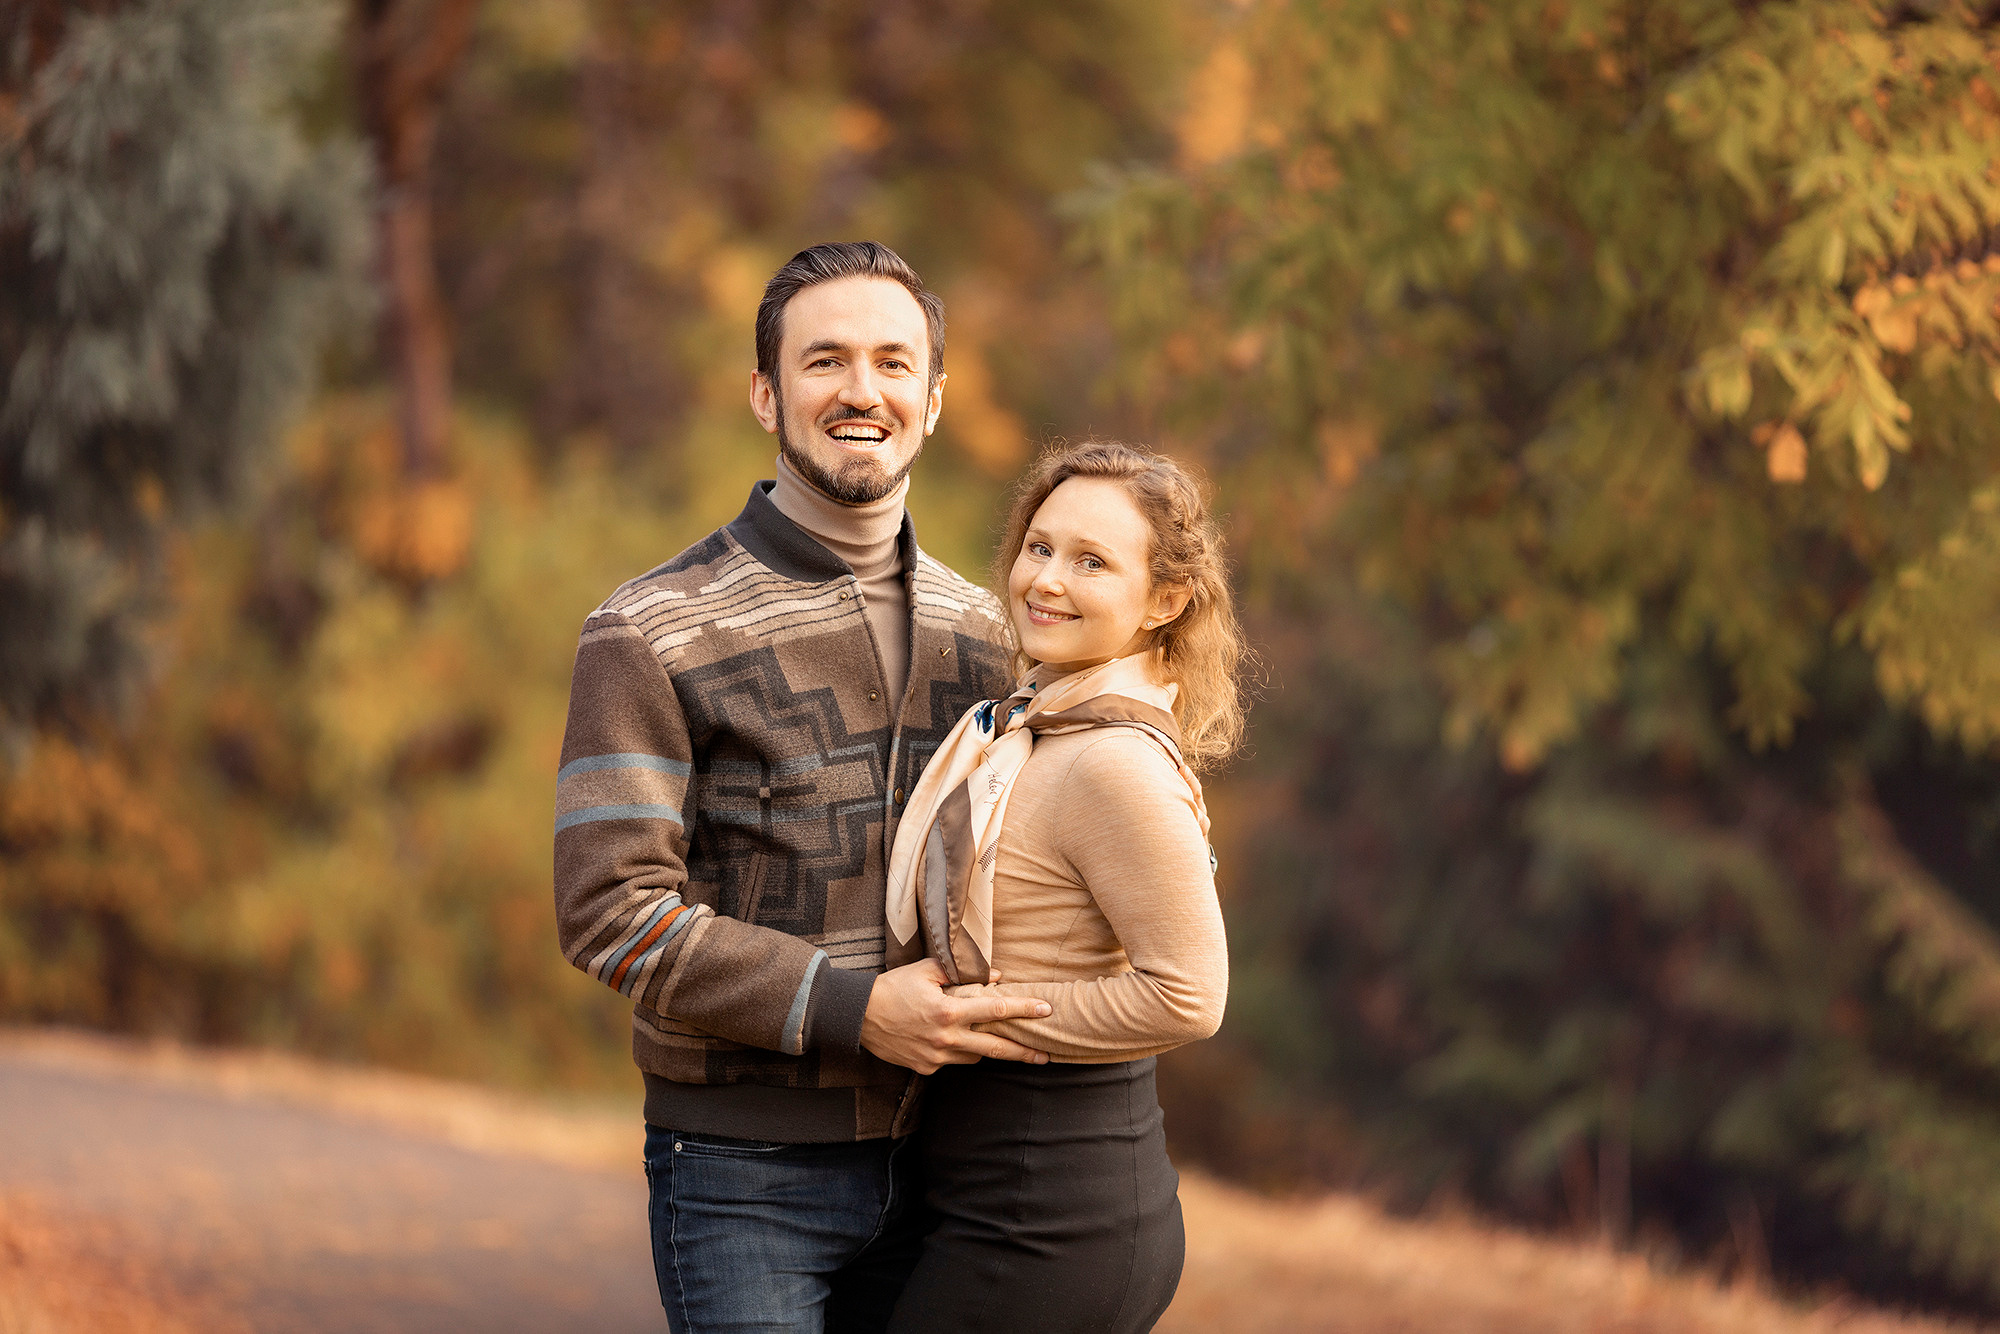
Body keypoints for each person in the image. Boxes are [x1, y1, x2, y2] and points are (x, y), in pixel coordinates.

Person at [552, 241, 1054, 1334]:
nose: (859, 390)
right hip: (741, 1171)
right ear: (765, 393)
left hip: (953, 1165)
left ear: (934, 397)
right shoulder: (649, 629)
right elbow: (608, 913)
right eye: (824, 361)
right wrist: (856, 1009)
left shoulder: (989, 637)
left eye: (890, 361)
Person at [882, 440, 1247, 1333]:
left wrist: (989, 1016)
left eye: (1091, 562)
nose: (1045, 580)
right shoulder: (1037, 726)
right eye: (1038, 547)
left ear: (1166, 601)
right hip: (995, 1185)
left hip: (1052, 1205)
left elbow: (1191, 996)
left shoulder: (1114, 761)